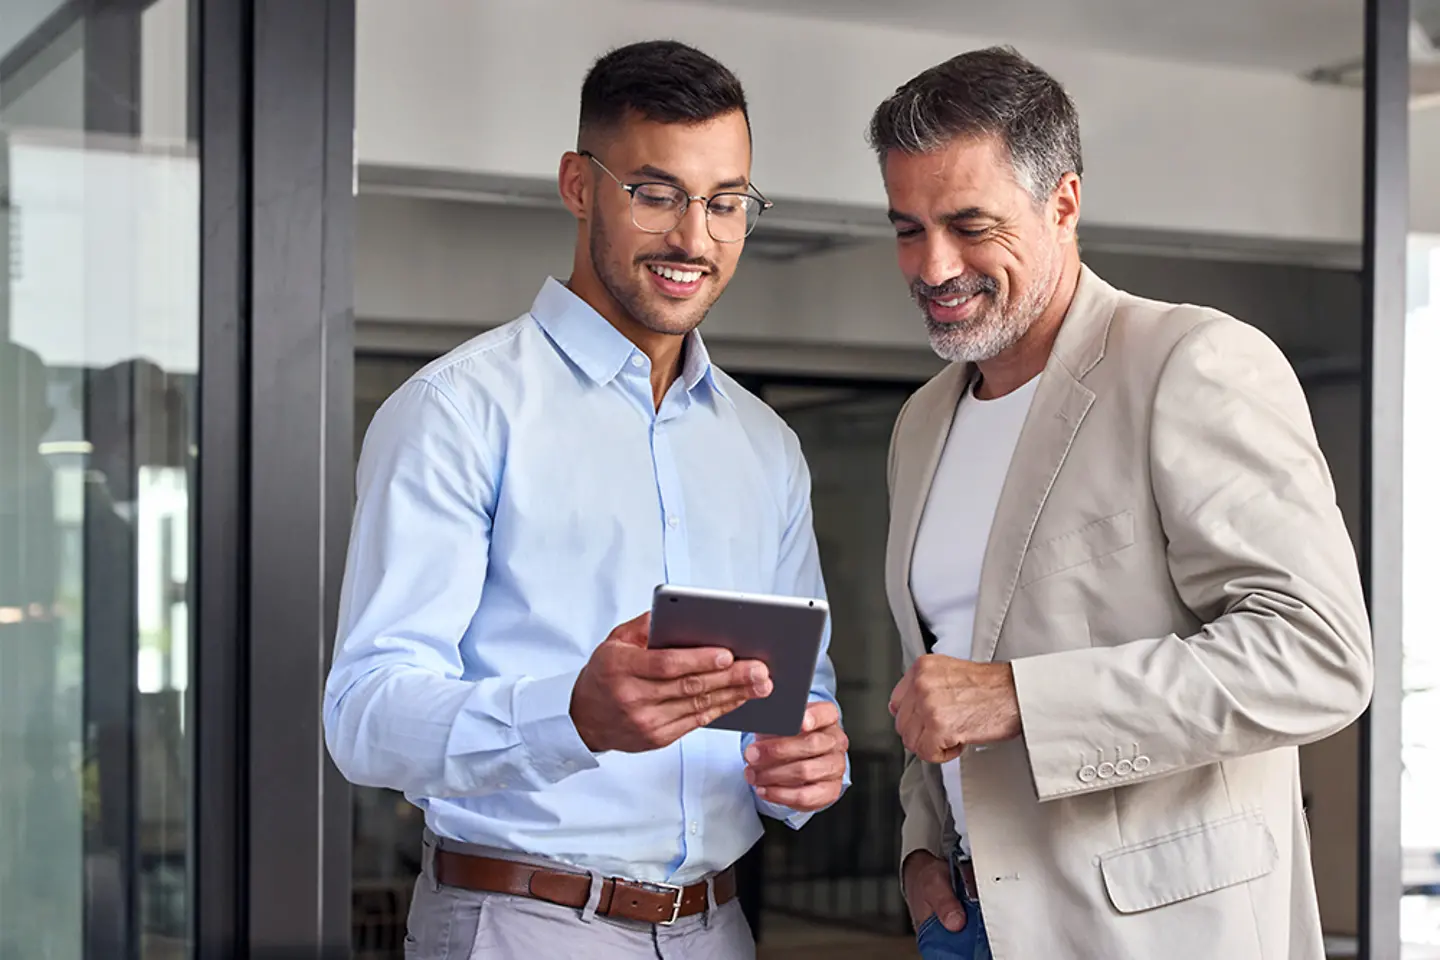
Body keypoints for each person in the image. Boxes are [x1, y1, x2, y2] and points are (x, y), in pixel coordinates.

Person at [324, 40, 849, 959]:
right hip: (519, 924)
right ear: (579, 184)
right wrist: (569, 716)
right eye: (656, 194)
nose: (695, 238)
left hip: (719, 928)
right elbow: (365, 717)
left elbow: (799, 697)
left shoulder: (767, 447)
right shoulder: (457, 412)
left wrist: (807, 768)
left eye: (726, 203)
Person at [871, 47, 1373, 960]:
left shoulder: (1189, 362)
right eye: (908, 228)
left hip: (1153, 930)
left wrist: (1023, 700)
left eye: (969, 225)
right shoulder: (920, 424)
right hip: (965, 923)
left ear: (1062, 204)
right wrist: (919, 847)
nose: (933, 265)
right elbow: (940, 675)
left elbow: (1320, 654)